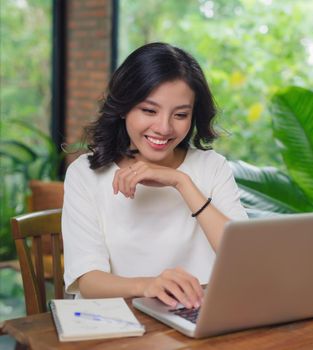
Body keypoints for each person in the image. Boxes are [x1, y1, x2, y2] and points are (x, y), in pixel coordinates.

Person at [62, 42, 248, 310]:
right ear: (124, 106)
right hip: (118, 322)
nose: (163, 128)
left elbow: (242, 258)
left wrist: (180, 182)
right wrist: (149, 286)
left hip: (198, 318)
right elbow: (88, 281)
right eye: (149, 111)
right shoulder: (86, 174)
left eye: (181, 115)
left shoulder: (212, 167)